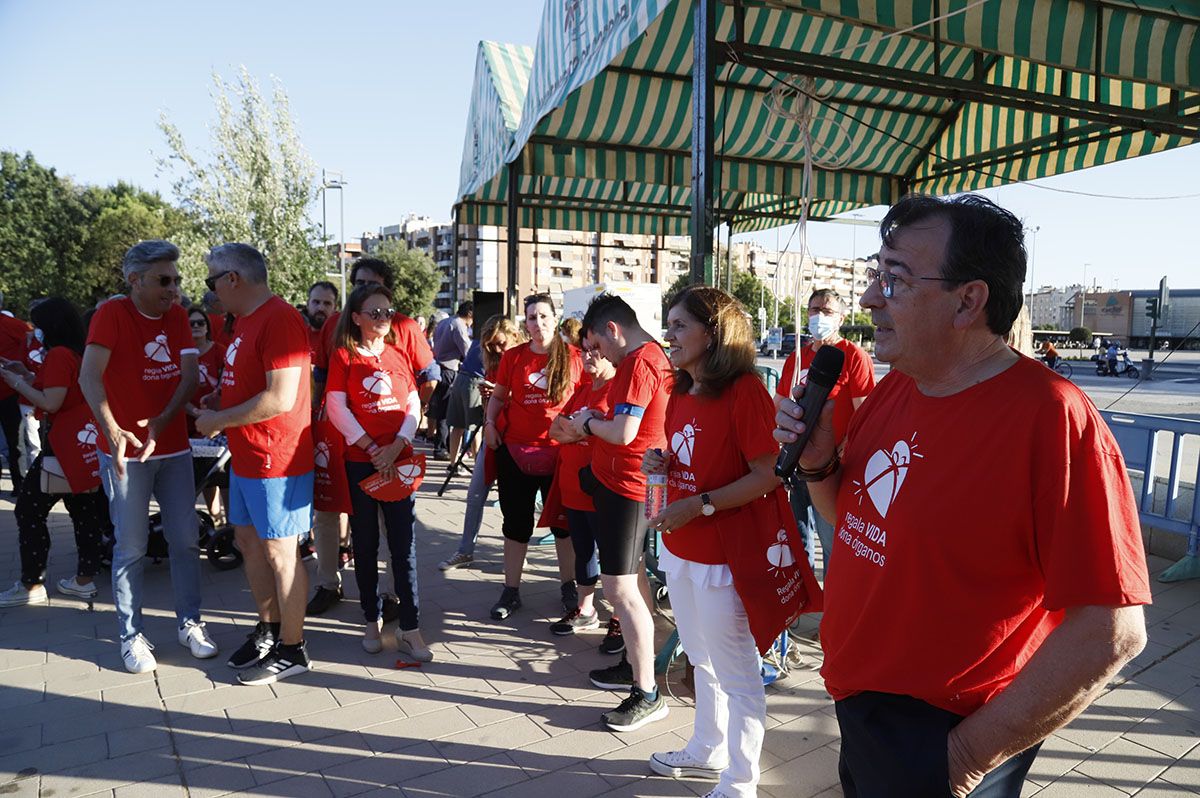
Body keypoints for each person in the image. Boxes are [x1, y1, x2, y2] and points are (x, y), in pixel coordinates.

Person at [774, 194, 1151, 797]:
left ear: (968, 300)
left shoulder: (1051, 418)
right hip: (860, 703)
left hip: (949, 732)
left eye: (894, 279)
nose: (871, 298)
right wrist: (819, 464)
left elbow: (1112, 630)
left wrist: (964, 758)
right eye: (876, 274)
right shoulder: (898, 389)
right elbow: (855, 524)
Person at [641, 286, 786, 798]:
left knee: (738, 671)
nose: (669, 335)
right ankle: (707, 747)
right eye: (669, 324)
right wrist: (662, 465)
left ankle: (741, 781)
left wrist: (699, 503)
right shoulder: (681, 390)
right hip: (682, 549)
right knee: (700, 658)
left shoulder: (745, 390)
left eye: (680, 325)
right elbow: (688, 457)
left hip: (723, 557)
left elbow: (767, 474)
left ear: (714, 331)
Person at [80, 240, 213, 674]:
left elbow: (190, 375)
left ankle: (189, 623)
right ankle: (131, 636)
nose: (173, 289)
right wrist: (113, 429)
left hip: (173, 448)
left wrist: (161, 421)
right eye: (163, 280)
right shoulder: (111, 315)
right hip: (124, 455)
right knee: (132, 546)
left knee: (186, 538)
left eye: (176, 280)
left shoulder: (176, 316)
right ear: (134, 280)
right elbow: (88, 377)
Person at [195, 243, 315, 686]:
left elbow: (281, 397)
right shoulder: (245, 321)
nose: (210, 292)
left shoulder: (279, 318)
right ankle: (269, 629)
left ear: (233, 279)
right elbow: (251, 385)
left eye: (212, 281)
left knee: (282, 552)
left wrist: (218, 419)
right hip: (248, 455)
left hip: (276, 458)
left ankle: (293, 646)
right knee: (248, 541)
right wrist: (220, 400)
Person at [570, 293, 672, 733]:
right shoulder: (643, 359)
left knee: (620, 587)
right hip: (628, 485)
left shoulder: (640, 361)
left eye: (597, 346)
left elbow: (624, 430)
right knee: (635, 582)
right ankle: (637, 665)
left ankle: (647, 692)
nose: (598, 356)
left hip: (633, 488)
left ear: (613, 330)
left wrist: (587, 422)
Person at [308, 259, 432, 613]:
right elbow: (321, 377)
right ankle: (329, 583)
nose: (364, 289)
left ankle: (394, 596)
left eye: (372, 284)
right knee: (329, 511)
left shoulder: (404, 326)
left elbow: (427, 376)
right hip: (340, 438)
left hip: (393, 443)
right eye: (358, 284)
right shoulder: (335, 325)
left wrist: (403, 433)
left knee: (390, 525)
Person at [0, 298, 109, 607]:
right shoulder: (74, 352)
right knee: (83, 512)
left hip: (61, 446)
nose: (34, 332)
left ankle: (32, 583)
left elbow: (51, 402)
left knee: (28, 510)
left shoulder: (59, 355)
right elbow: (59, 389)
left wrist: (17, 382)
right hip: (80, 445)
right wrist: (28, 374)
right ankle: (83, 581)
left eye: (38, 325)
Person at [482, 293, 582, 620]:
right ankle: (510, 590)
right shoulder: (513, 357)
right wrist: (489, 425)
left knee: (564, 526)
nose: (537, 324)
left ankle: (569, 586)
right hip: (516, 452)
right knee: (516, 525)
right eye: (530, 318)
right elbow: (498, 398)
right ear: (523, 322)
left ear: (555, 319)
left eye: (543, 316)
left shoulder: (575, 357)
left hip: (560, 455)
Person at [774, 288, 875, 576]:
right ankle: (807, 607)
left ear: (841, 318)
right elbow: (780, 398)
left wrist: (841, 448)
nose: (819, 316)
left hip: (833, 469)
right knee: (798, 539)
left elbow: (865, 412)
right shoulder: (797, 356)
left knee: (832, 541)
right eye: (814, 310)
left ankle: (832, 610)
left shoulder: (853, 356)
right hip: (797, 462)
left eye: (827, 311)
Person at [438, 315, 524, 571]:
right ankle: (465, 551)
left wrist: (501, 392)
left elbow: (530, 402)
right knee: (475, 494)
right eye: (491, 346)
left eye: (501, 343)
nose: (497, 349)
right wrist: (491, 400)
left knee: (515, 503)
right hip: (493, 435)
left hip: (517, 439)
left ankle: (517, 553)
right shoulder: (494, 362)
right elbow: (491, 408)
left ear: (514, 337)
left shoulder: (524, 360)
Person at [546, 335, 614, 635]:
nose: (587, 356)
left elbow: (615, 435)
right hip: (573, 488)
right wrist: (584, 430)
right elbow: (554, 430)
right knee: (582, 551)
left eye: (594, 351)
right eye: (585, 351)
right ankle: (586, 609)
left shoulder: (617, 391)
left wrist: (579, 429)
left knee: (615, 561)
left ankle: (620, 620)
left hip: (602, 492)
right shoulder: (582, 391)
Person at [184, 306, 227, 523]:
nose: (196, 327)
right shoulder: (181, 353)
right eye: (191, 323)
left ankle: (229, 521)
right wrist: (195, 412)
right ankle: (210, 518)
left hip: (216, 422)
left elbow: (226, 386)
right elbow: (176, 391)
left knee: (222, 475)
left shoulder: (219, 351)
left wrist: (213, 414)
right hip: (187, 422)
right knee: (198, 478)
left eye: (200, 322)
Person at [432, 301, 474, 463]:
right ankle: (443, 447)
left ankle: (441, 446)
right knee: (448, 413)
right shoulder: (458, 325)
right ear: (470, 314)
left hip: (439, 367)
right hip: (450, 369)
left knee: (441, 411)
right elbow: (467, 350)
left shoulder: (444, 322)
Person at [0, 302, 32, 494]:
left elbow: (34, 344)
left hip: (9, 393)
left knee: (15, 442)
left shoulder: (12, 324)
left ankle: (19, 484)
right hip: (10, 391)